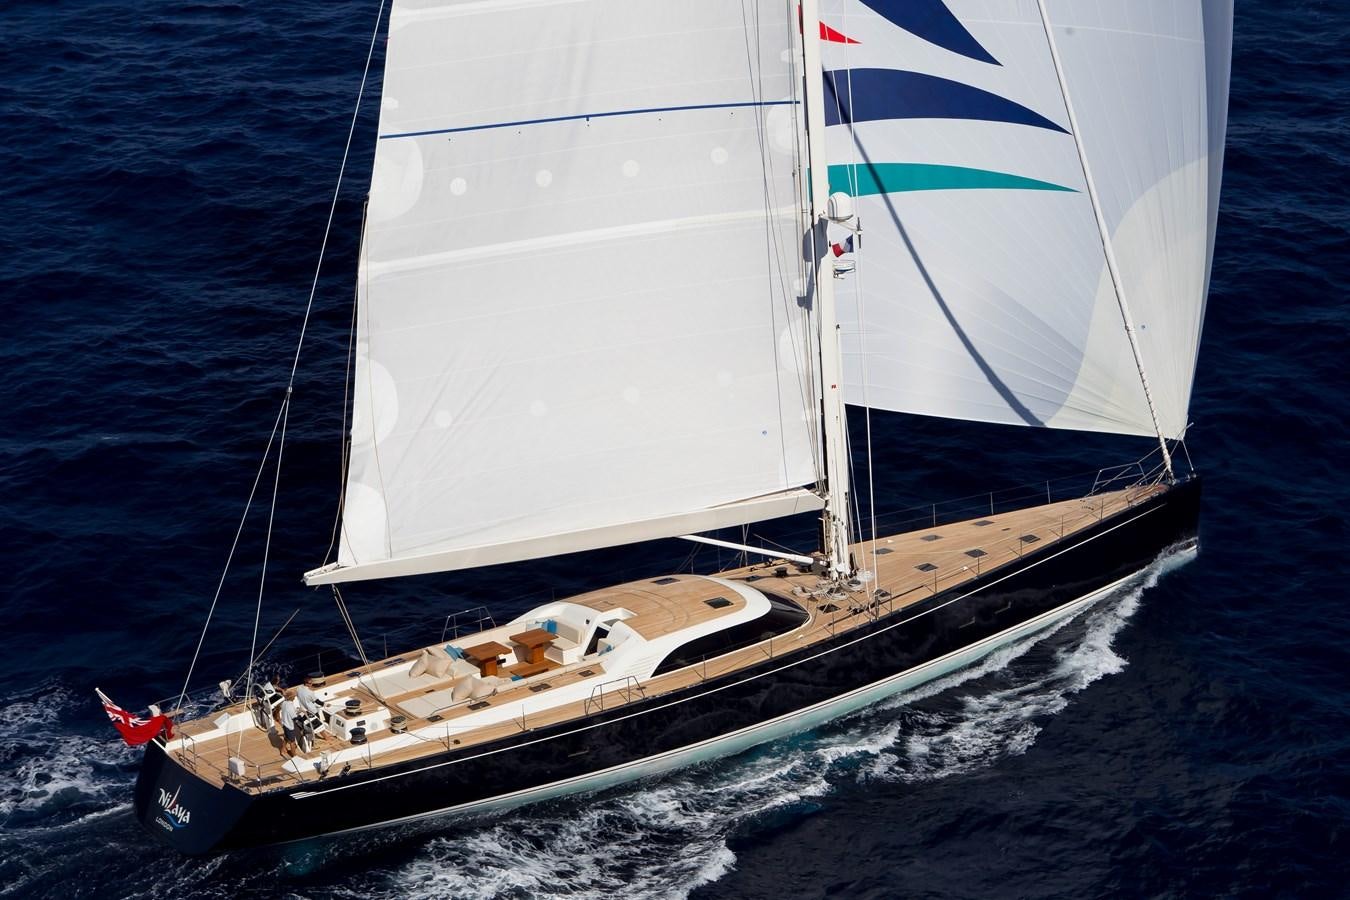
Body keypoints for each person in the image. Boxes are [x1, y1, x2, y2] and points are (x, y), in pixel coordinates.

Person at [277, 689, 299, 758]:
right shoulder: (290, 706)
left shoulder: (284, 703)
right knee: (292, 742)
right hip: (290, 726)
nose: (295, 697)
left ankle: (283, 749)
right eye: (294, 696)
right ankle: (294, 756)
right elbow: (295, 718)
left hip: (284, 724)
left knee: (286, 737)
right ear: (290, 697)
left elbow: (281, 710)